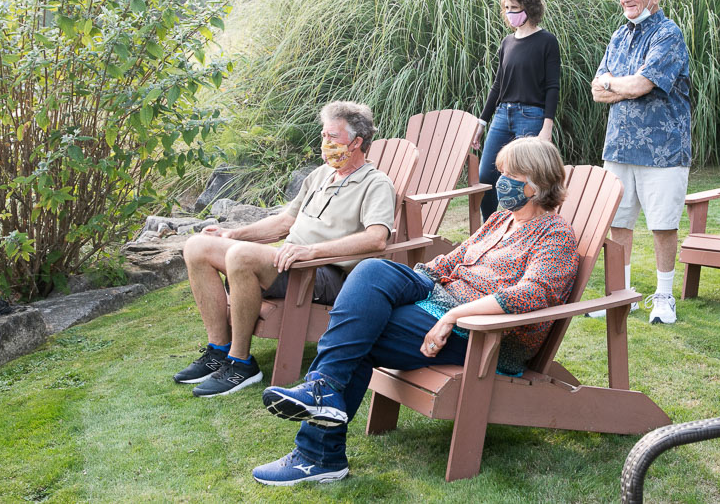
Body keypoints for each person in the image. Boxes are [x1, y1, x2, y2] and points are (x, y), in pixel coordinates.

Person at [249, 137, 578, 486]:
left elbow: (534, 293)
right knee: (372, 271)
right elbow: (453, 259)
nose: (501, 181)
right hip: (439, 299)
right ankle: (322, 392)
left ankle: (317, 452)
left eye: (511, 174)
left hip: (482, 334)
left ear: (538, 182)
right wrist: (407, 283)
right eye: (501, 172)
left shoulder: (555, 235)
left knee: (363, 330)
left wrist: (453, 316)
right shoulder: (501, 219)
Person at [174, 101, 396, 397]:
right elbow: (284, 222)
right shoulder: (320, 176)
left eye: (333, 137)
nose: (325, 143)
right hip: (290, 261)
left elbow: (377, 238)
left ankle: (241, 364)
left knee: (240, 255)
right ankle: (218, 350)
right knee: (197, 246)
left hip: (322, 274)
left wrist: (312, 253)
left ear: (357, 142)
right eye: (323, 136)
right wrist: (234, 232)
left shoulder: (375, 182)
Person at [589, 0, 691, 325]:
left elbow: (642, 84)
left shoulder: (668, 34)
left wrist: (617, 83)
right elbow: (595, 90)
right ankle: (622, 295)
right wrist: (620, 85)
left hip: (663, 149)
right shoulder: (619, 36)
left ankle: (664, 298)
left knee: (663, 225)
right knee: (619, 223)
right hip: (618, 147)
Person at [473, 0, 562, 221]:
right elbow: (498, 85)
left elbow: (553, 87)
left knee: (531, 181)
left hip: (531, 117)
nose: (510, 12)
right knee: (485, 177)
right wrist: (482, 122)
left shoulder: (547, 42)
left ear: (529, 7)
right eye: (507, 7)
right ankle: (489, 229)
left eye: (515, 7)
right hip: (503, 115)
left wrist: (547, 127)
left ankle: (533, 229)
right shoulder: (507, 43)